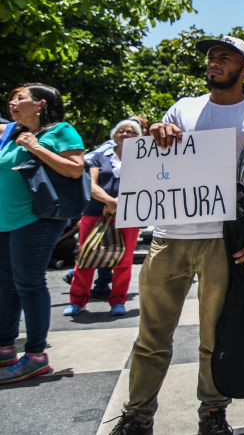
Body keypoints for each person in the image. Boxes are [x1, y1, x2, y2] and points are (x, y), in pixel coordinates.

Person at [110, 35, 244, 435]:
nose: (215, 62)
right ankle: (137, 416)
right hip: (168, 235)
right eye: (212, 57)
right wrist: (156, 131)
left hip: (222, 238)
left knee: (214, 337)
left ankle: (213, 414)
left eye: (225, 57)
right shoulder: (183, 108)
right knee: (151, 337)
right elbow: (153, 154)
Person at [0, 83, 86, 384]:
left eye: (19, 98)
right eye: (11, 98)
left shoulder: (60, 131)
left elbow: (76, 170)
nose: (12, 102)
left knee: (29, 283)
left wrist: (35, 148)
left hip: (36, 220)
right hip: (5, 222)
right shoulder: (10, 134)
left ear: (40, 105)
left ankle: (36, 355)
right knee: (5, 286)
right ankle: (5, 348)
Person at [64, 118, 143, 317]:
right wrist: (110, 201)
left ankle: (118, 300)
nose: (125, 134)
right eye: (121, 131)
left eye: (131, 132)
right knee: (86, 257)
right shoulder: (100, 156)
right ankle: (77, 300)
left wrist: (120, 204)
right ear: (114, 135)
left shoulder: (143, 158)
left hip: (128, 214)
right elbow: (91, 183)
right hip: (94, 211)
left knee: (124, 261)